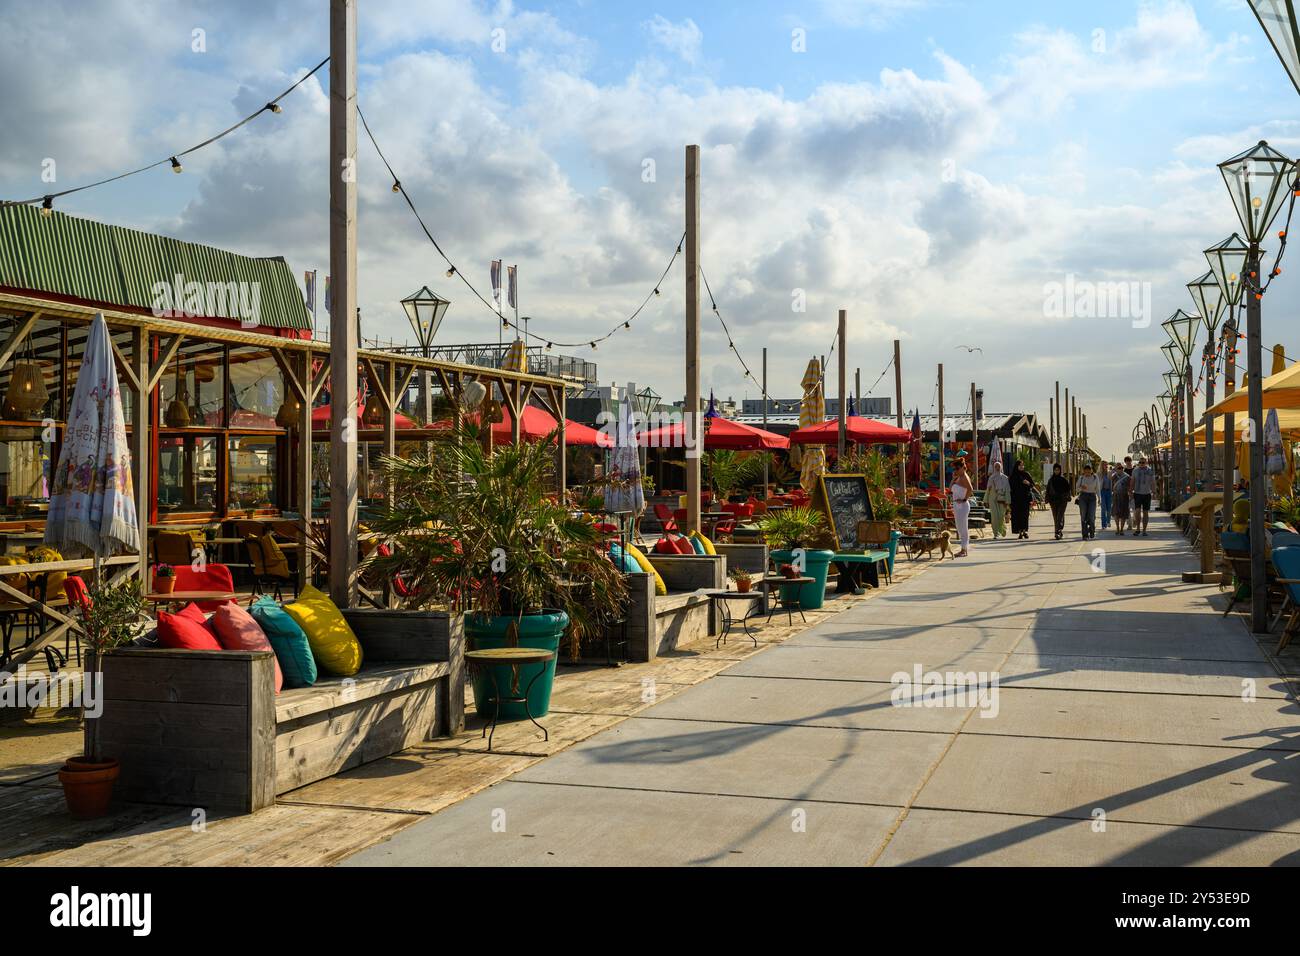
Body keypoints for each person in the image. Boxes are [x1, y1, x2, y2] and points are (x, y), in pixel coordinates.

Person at [950, 459, 974, 557]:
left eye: (957, 468)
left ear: (963, 468)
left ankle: (964, 550)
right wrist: (953, 479)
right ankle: (963, 548)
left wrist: (964, 499)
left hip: (962, 506)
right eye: (954, 468)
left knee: (963, 528)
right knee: (959, 528)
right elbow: (950, 488)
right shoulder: (958, 477)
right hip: (957, 505)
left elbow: (970, 489)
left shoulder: (964, 477)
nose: (955, 470)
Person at [1009, 459, 1036, 539]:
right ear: (1017, 466)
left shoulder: (1026, 474)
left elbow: (1032, 485)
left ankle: (1025, 531)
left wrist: (1028, 483)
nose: (1021, 467)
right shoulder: (1013, 475)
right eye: (1020, 465)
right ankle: (1019, 532)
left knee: (1025, 515)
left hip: (1025, 498)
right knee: (1017, 516)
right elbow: (1011, 486)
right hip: (1016, 499)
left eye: (1022, 465)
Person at [1046, 463, 1072, 540]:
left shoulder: (1064, 480)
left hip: (1062, 500)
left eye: (1058, 470)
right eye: (1055, 470)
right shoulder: (1051, 480)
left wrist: (1067, 497)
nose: (1057, 471)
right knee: (1056, 516)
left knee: (1060, 515)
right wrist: (1047, 499)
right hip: (1053, 500)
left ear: (1060, 470)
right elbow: (1048, 490)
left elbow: (1068, 490)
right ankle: (1058, 530)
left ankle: (1057, 531)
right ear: (1053, 470)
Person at [986, 460, 1011, 538]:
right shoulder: (991, 477)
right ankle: (996, 533)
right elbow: (988, 489)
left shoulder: (1005, 478)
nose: (997, 468)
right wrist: (986, 500)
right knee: (994, 517)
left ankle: (1002, 529)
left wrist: (1007, 501)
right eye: (996, 466)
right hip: (993, 499)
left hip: (1002, 500)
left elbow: (1007, 490)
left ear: (1001, 467)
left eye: (998, 466)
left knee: (1001, 516)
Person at [1075, 462, 1100, 539]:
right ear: (1083, 471)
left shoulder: (1095, 477)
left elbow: (1098, 489)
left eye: (1089, 471)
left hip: (1092, 497)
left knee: (1091, 516)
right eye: (1086, 471)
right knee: (1083, 516)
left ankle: (1092, 530)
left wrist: (1099, 498)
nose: (1087, 473)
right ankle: (1085, 534)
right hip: (1083, 497)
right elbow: (1076, 489)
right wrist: (1081, 488)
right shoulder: (1081, 478)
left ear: (1091, 470)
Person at [1131, 455, 1154, 536]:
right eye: (1140, 462)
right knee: (1137, 511)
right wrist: (1130, 491)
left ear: (1146, 463)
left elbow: (1152, 482)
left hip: (1147, 493)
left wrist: (1154, 491)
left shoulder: (1150, 471)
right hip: (1137, 493)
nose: (1141, 464)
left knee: (1145, 512)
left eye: (1143, 462)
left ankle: (1144, 530)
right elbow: (1132, 481)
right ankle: (1138, 528)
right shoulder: (1135, 470)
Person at [1111, 463, 1131, 535]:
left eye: (1122, 468)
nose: (1120, 469)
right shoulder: (1114, 476)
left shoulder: (1127, 477)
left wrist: (1130, 494)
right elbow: (1111, 484)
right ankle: (1117, 528)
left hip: (1124, 496)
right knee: (1116, 513)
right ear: (1116, 469)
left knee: (1123, 514)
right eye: (1119, 468)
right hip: (1116, 496)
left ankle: (1122, 529)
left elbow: (1130, 486)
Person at [1099, 464, 1113, 531]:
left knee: (1109, 508)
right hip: (1102, 492)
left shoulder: (1110, 473)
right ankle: (1103, 525)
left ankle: (1108, 521)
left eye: (1106, 465)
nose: (1105, 467)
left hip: (1109, 491)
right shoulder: (1099, 474)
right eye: (1103, 465)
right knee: (1103, 509)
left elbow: (1111, 482)